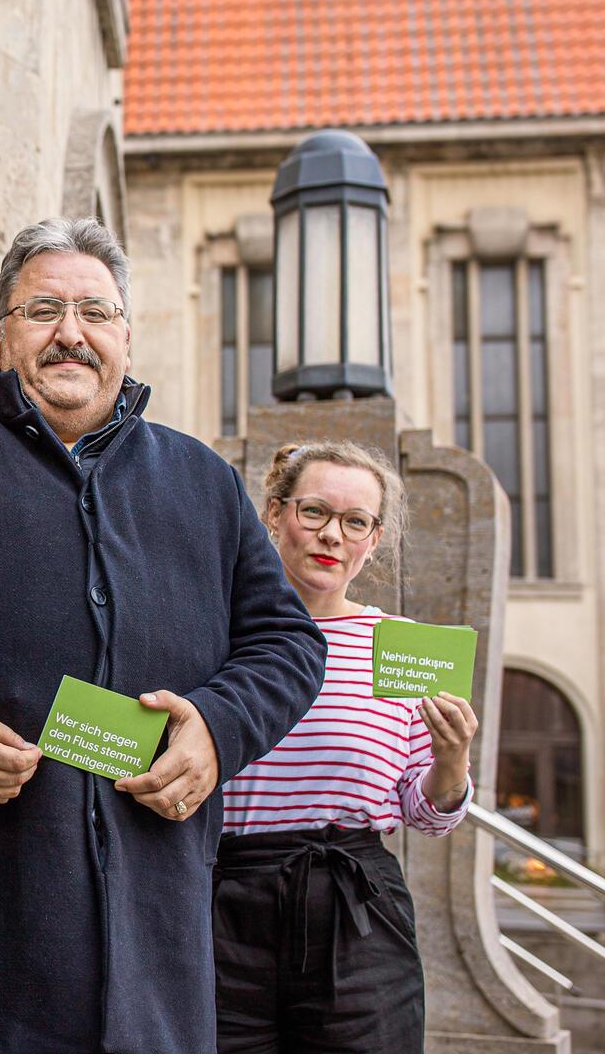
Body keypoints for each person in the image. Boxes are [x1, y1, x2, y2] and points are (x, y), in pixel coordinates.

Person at [0, 216, 325, 1053]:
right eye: (43, 312)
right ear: (0, 337)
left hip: (157, 917)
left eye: (95, 314)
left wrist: (217, 729)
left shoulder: (202, 480)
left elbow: (288, 643)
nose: (71, 334)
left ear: (127, 340)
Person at [215, 441, 478, 1053]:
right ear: (275, 514)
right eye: (314, 513)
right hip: (222, 902)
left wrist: (452, 758)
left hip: (355, 908)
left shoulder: (403, 646)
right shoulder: (214, 631)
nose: (332, 535)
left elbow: (425, 813)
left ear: (373, 538)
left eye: (354, 521)